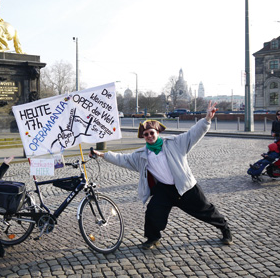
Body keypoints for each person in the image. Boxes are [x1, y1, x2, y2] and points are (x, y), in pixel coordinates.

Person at [90, 101, 233, 249]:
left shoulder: (175, 143)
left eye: (152, 133)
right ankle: (153, 238)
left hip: (185, 186)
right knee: (153, 212)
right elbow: (122, 159)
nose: (149, 136)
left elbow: (193, 133)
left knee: (206, 210)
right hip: (164, 190)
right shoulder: (141, 155)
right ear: (143, 137)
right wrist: (101, 154)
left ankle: (225, 229)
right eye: (146, 134)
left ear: (157, 133)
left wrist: (207, 119)